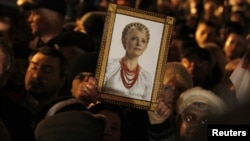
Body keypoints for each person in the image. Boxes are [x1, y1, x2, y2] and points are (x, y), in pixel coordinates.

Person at [1, 46, 68, 141]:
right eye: (33, 67)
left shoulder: (64, 118)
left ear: (61, 80)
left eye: (47, 70)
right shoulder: (7, 107)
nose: (36, 75)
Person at [103, 22, 153, 101]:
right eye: (134, 39)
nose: (139, 43)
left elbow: (146, 107)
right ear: (124, 41)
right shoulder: (108, 65)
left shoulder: (147, 77)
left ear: (146, 46)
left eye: (143, 41)